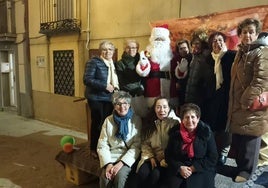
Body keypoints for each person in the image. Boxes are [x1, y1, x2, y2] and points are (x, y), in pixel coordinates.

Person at [227, 18, 268, 182]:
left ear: (257, 33)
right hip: (238, 104)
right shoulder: (242, 51)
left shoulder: (262, 52)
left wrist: (246, 100)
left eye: (251, 32)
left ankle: (247, 171)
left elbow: (261, 80)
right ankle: (241, 167)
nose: (248, 35)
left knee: (250, 139)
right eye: (244, 32)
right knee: (240, 137)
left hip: (251, 105)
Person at [163, 103, 218, 188]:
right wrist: (179, 167)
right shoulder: (175, 132)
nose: (190, 120)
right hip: (180, 167)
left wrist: (193, 168)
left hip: (200, 168)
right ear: (182, 119)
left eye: (193, 117)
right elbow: (168, 155)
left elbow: (213, 157)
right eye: (186, 117)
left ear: (198, 118)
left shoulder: (206, 132)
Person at [97, 91, 141, 188]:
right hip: (111, 157)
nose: (122, 107)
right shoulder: (108, 120)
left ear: (129, 105)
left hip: (127, 158)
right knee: (105, 178)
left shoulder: (136, 120)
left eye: (125, 103)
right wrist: (108, 164)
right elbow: (102, 144)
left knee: (119, 177)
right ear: (114, 106)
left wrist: (121, 163)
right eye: (118, 104)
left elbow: (137, 145)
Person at [204, 31, 236, 166]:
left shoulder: (231, 56)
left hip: (228, 96)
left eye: (219, 40)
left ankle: (223, 153)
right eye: (214, 41)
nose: (217, 43)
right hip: (213, 97)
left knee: (226, 127)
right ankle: (212, 152)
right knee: (213, 126)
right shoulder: (209, 59)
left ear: (224, 41)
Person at [83, 40, 119, 158]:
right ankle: (94, 148)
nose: (107, 52)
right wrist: (104, 86)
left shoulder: (112, 63)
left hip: (109, 98)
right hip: (96, 98)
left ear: (113, 52)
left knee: (106, 123)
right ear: (100, 51)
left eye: (110, 49)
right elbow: (87, 79)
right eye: (104, 49)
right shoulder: (94, 62)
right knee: (98, 123)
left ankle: (103, 146)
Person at [136, 97, 180, 188]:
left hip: (168, 158)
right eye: (158, 107)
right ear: (154, 109)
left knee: (155, 175)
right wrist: (151, 157)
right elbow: (145, 143)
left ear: (169, 108)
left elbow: (177, 146)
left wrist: (165, 157)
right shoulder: (149, 122)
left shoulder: (175, 123)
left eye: (164, 107)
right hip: (151, 156)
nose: (162, 110)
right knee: (142, 173)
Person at [136, 25, 177, 111]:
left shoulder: (172, 54)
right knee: (152, 112)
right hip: (153, 89)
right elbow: (143, 72)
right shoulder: (146, 54)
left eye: (162, 39)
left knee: (170, 112)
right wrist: (143, 64)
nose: (159, 42)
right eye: (157, 39)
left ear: (166, 40)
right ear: (152, 40)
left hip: (170, 89)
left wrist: (181, 70)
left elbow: (178, 72)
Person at [182, 29, 213, 118]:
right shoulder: (195, 57)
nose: (195, 46)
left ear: (203, 44)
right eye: (194, 43)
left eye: (197, 43)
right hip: (191, 97)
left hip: (200, 99)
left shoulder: (207, 57)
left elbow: (207, 80)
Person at [115, 39, 146, 117]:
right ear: (125, 49)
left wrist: (143, 88)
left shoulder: (143, 60)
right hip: (129, 96)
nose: (131, 50)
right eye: (128, 47)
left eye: (134, 48)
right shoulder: (120, 63)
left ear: (137, 49)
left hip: (143, 95)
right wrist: (137, 88)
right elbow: (121, 82)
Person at [174, 39, 193, 112]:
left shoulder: (193, 58)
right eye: (180, 49)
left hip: (191, 90)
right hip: (182, 91)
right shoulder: (177, 60)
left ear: (188, 48)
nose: (183, 50)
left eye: (184, 48)